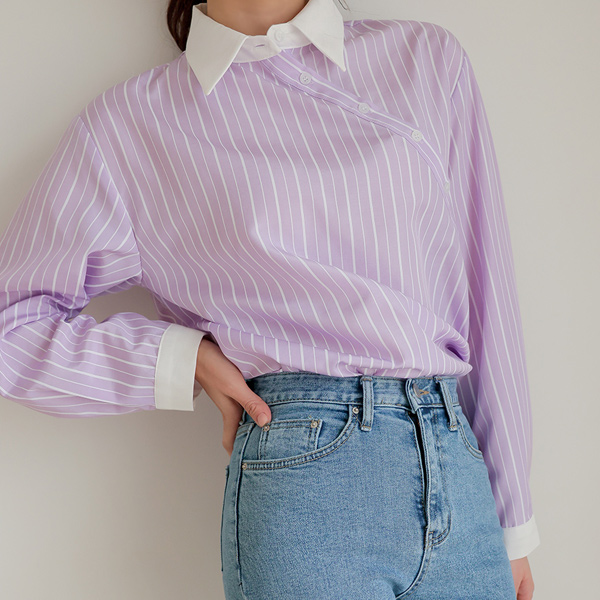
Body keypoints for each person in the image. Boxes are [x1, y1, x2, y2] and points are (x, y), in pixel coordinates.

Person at [0, 0, 540, 597]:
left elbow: (488, 295)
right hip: (304, 484)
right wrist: (183, 359)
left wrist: (513, 521)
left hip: (458, 472)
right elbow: (11, 327)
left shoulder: (426, 60)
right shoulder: (132, 125)